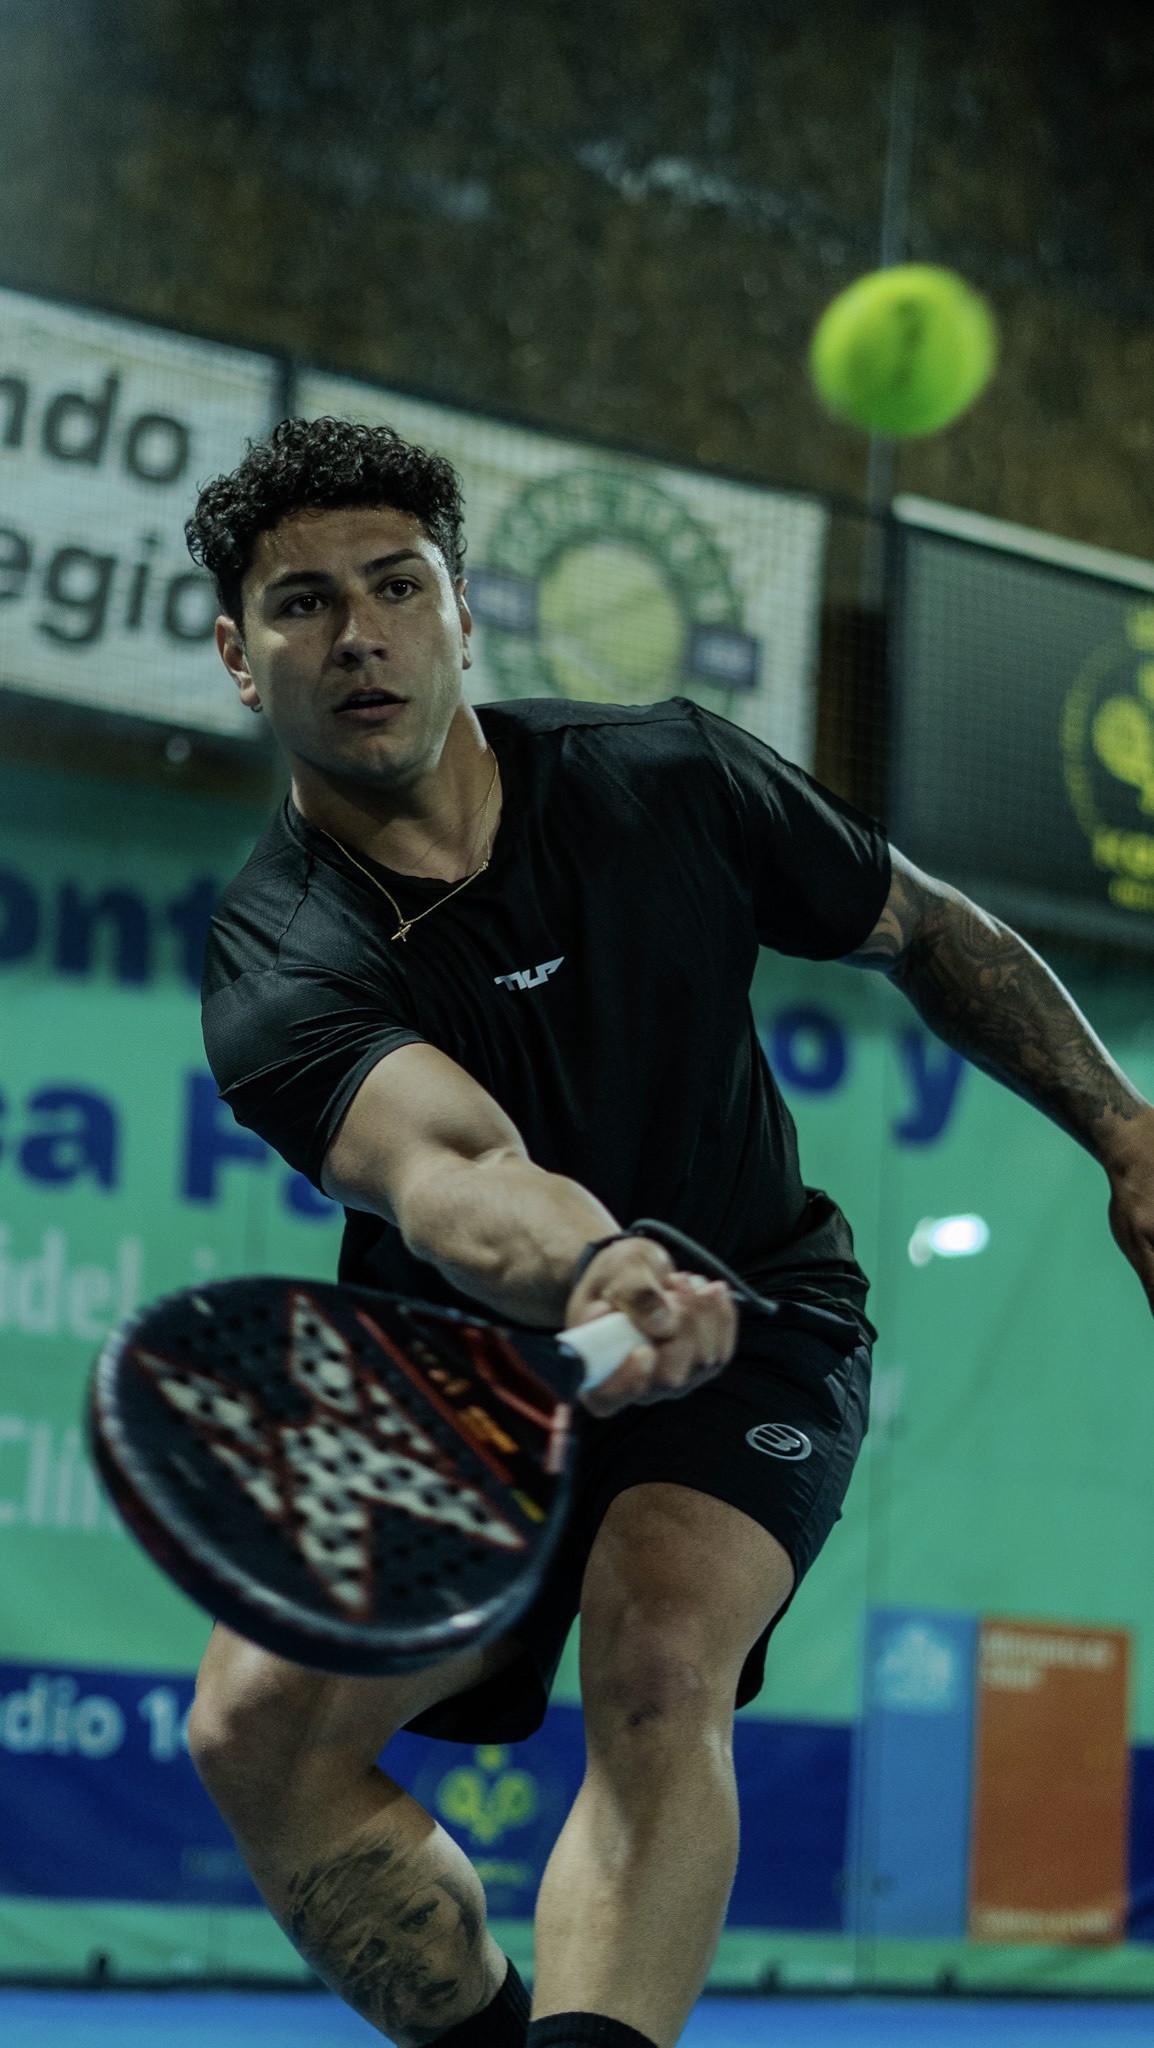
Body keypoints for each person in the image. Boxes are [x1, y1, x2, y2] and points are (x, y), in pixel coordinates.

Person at [183, 418, 1154, 2048]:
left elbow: (920, 928)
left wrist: (1123, 1130)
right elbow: (451, 1167)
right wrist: (596, 1267)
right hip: (468, 1366)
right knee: (252, 1729)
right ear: (238, 656)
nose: (358, 634)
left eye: (397, 585)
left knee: (656, 1654)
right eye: (302, 603)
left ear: (462, 611)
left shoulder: (668, 776)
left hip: (752, 1311)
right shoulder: (276, 956)